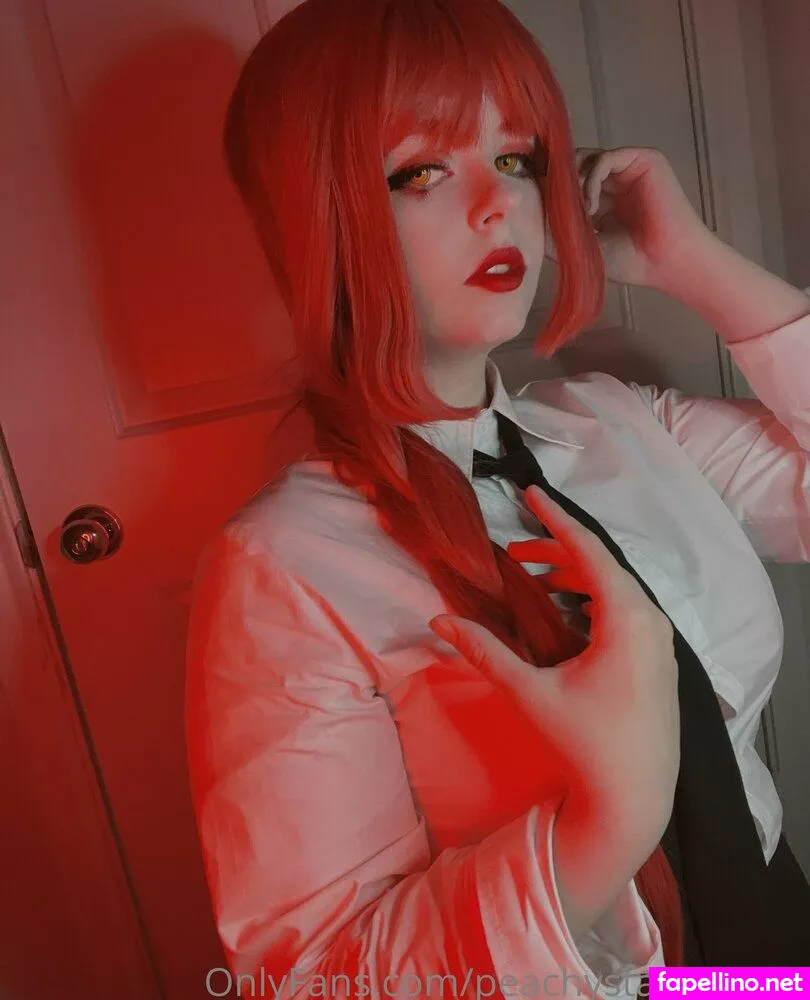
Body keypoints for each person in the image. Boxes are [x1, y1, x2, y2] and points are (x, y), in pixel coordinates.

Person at [184, 0, 810, 995]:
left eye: (516, 159)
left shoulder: (620, 422)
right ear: (322, 219)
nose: (498, 207)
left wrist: (690, 261)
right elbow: (309, 977)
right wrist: (603, 829)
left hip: (773, 953)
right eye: (421, 172)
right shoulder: (285, 572)